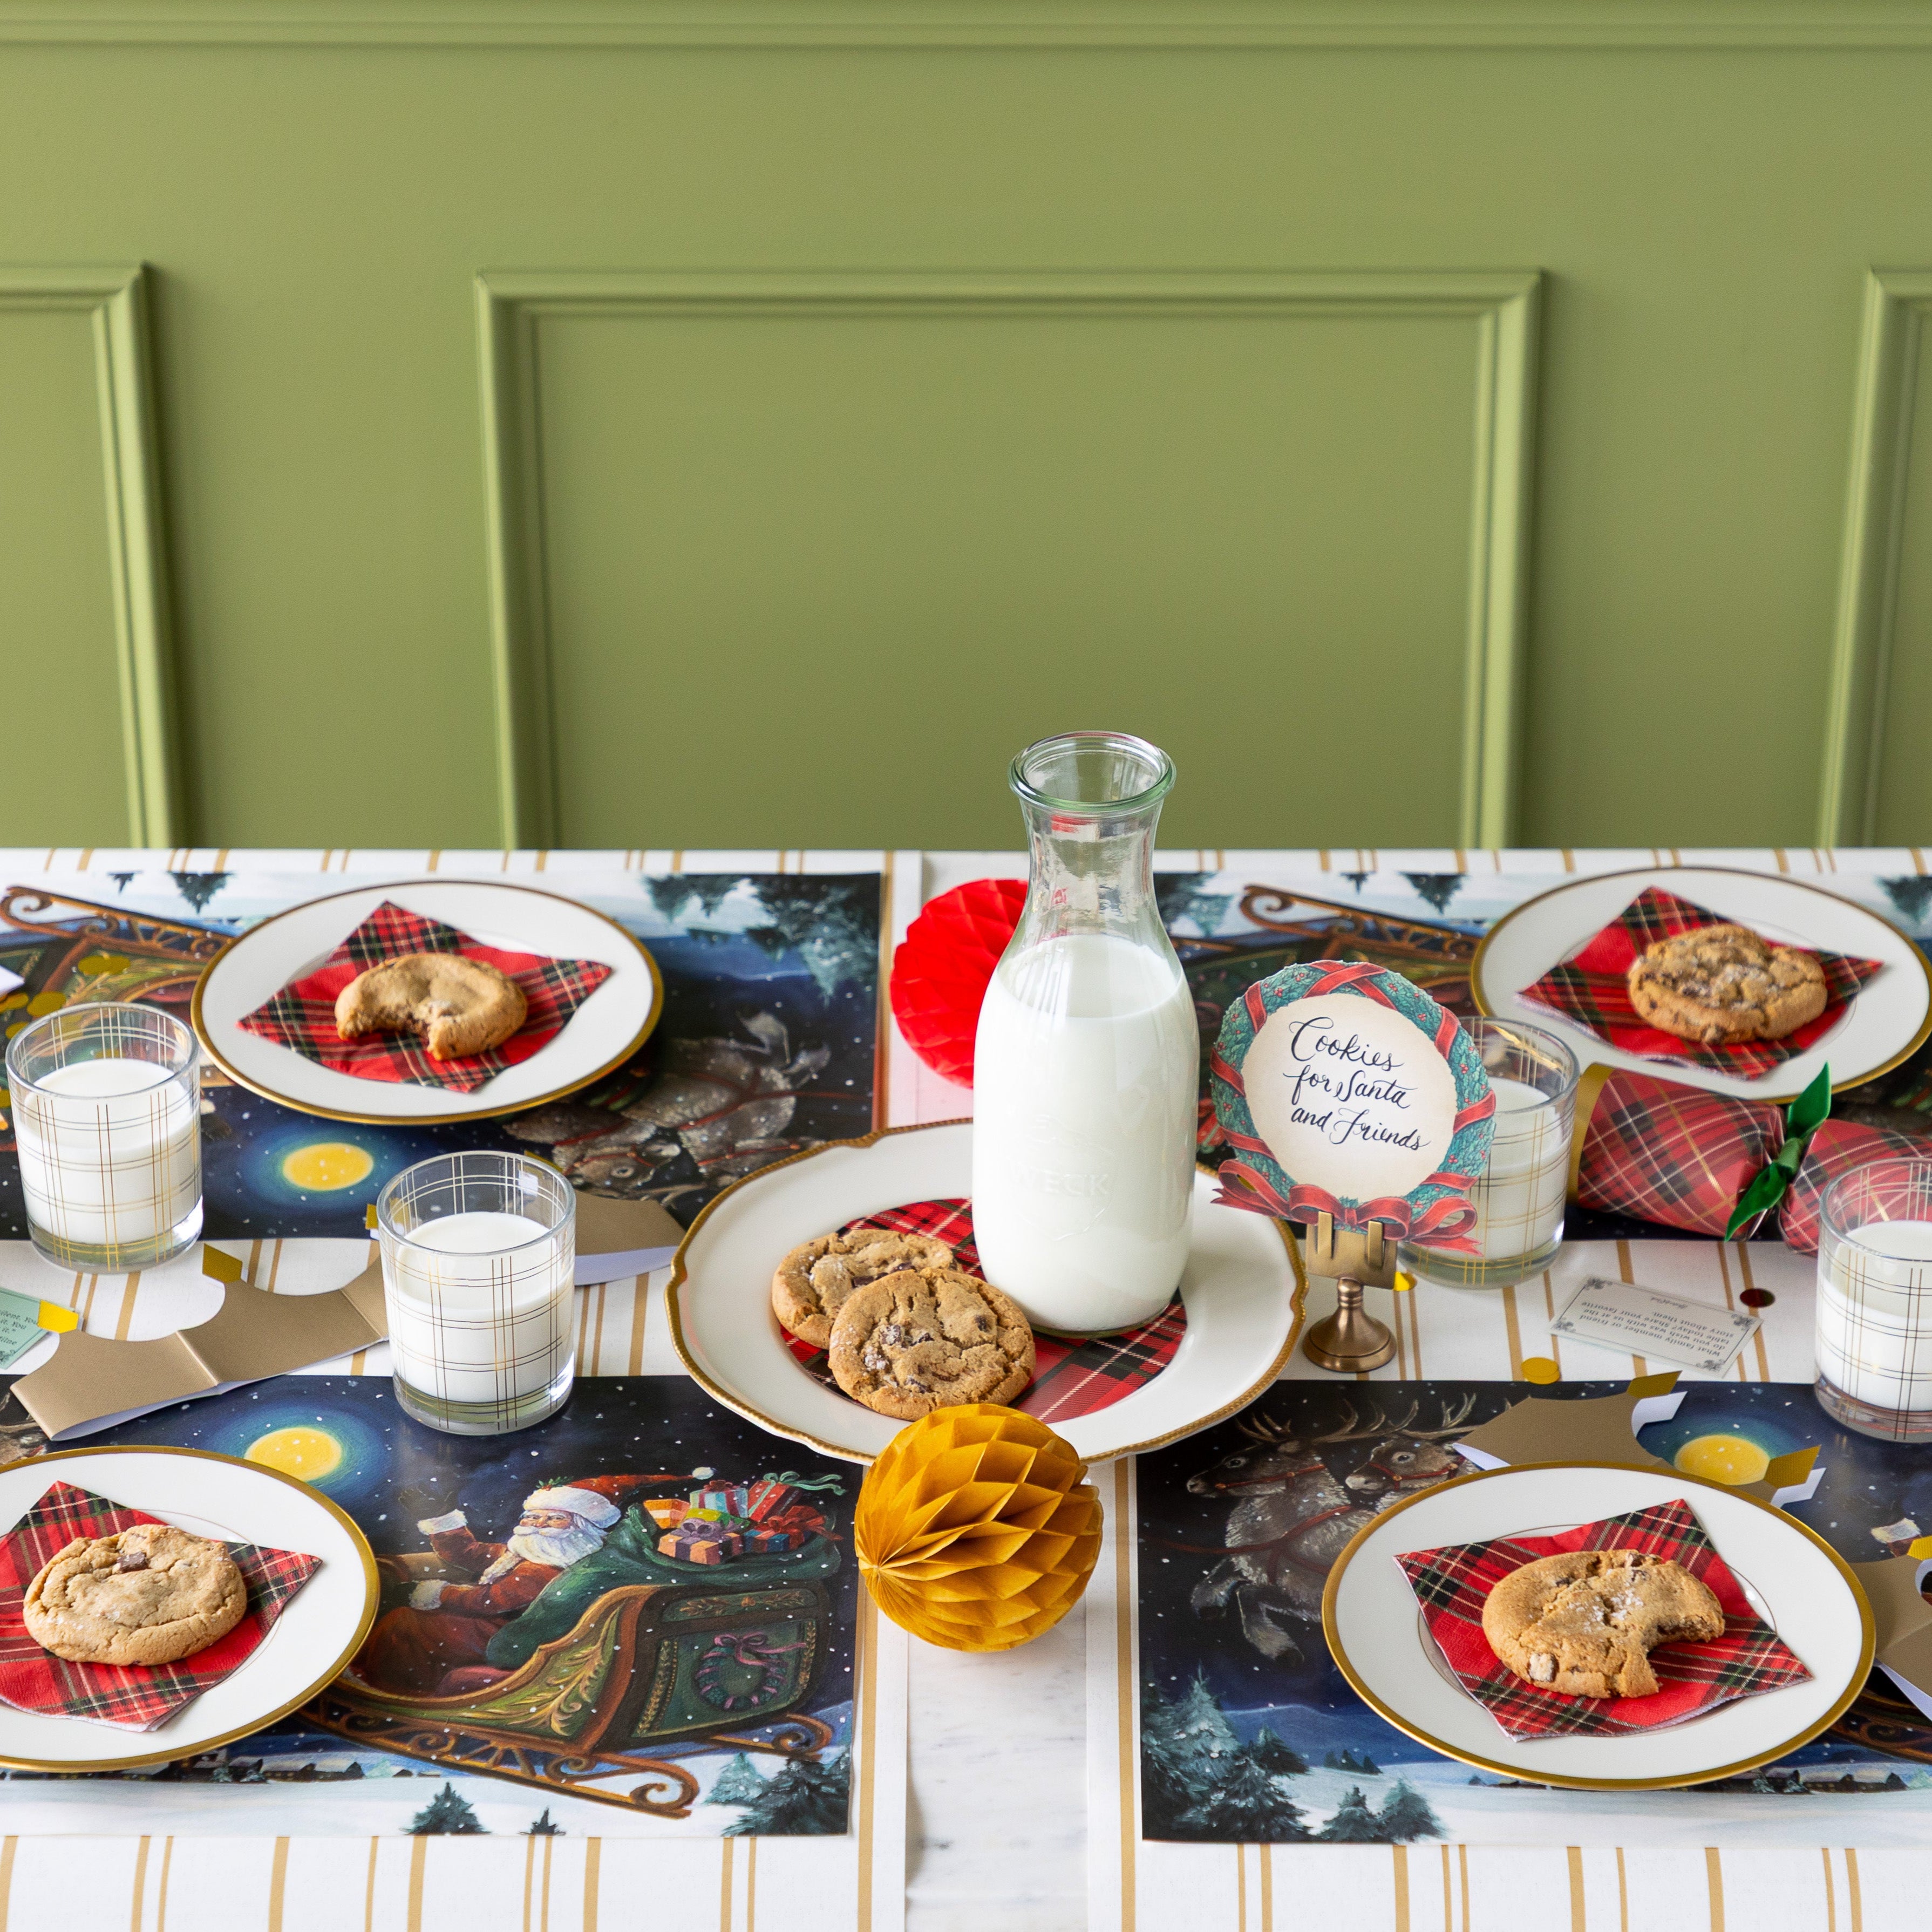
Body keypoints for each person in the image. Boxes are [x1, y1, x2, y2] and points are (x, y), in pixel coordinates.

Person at [353, 1474, 679, 1695]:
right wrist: (442, 1519)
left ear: (582, 1528)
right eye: (533, 1518)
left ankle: (393, 1687)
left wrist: (434, 1593)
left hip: (510, 1635)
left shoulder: (549, 1568)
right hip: (499, 1625)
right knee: (416, 1621)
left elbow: (489, 1602)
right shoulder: (525, 1554)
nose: (539, 1525)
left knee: (407, 1623)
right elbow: (470, 1553)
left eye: (555, 1519)